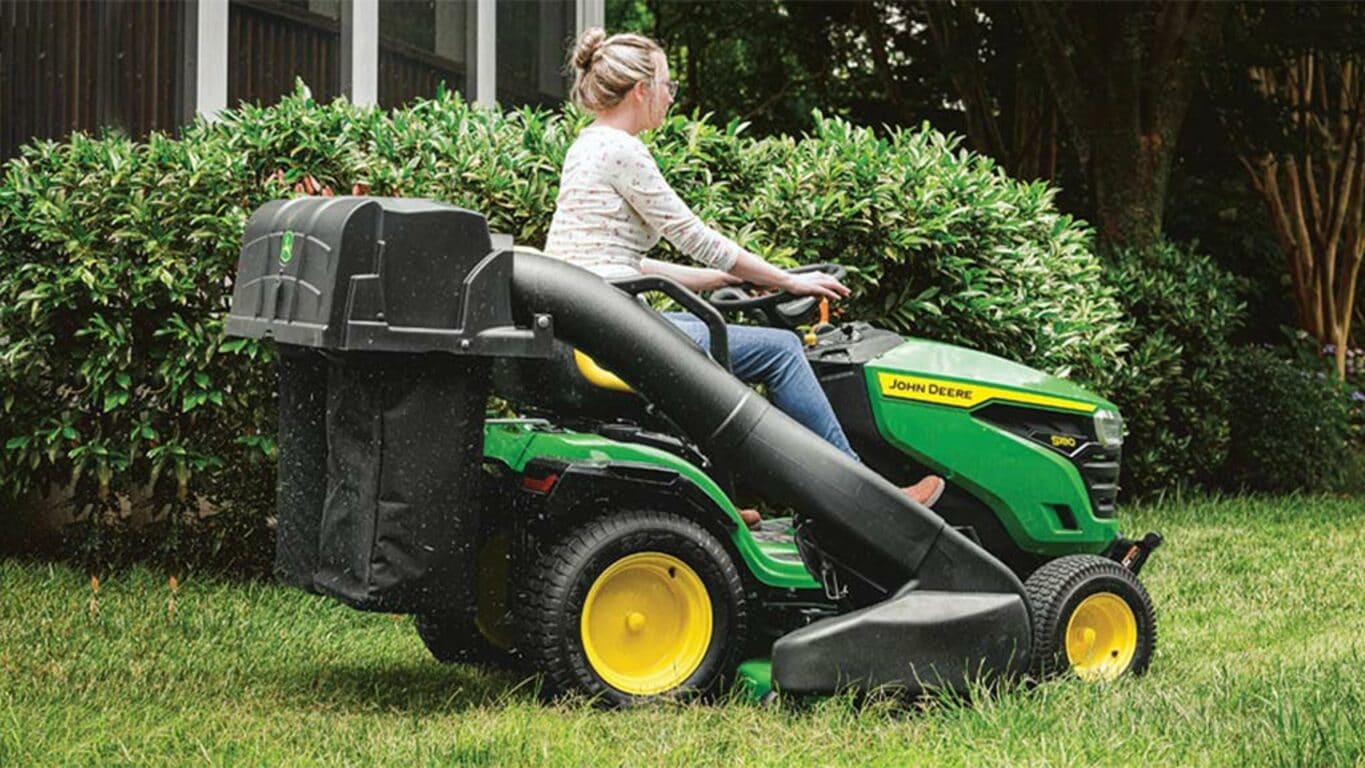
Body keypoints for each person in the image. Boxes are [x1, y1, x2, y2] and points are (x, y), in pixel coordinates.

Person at [542, 28, 945, 519]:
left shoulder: (587, 145)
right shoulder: (622, 149)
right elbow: (695, 237)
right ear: (642, 90)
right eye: (668, 85)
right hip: (616, 327)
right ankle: (872, 500)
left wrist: (720, 281)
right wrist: (789, 281)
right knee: (782, 351)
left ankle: (721, 499)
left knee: (716, 359)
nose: (671, 96)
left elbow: (619, 257)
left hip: (597, 321)